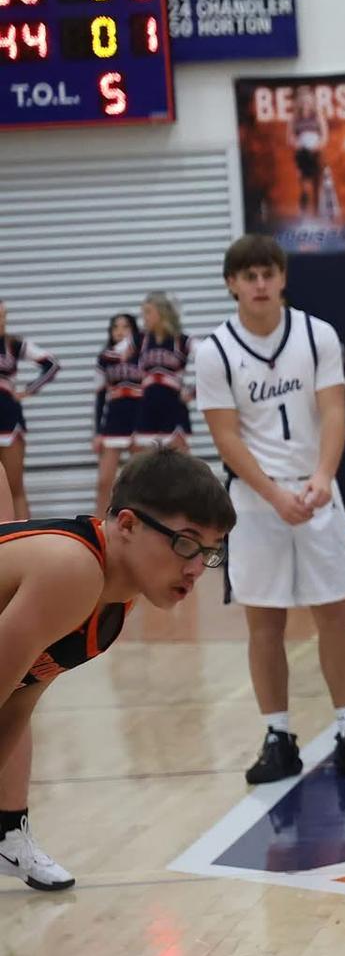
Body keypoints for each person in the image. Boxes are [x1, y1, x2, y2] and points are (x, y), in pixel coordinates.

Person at [194, 234, 345, 785]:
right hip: (256, 503)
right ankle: (278, 735)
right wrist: (274, 494)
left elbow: (333, 412)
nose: (259, 284)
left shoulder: (317, 334)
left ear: (282, 278)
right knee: (265, 623)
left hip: (316, 492)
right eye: (248, 275)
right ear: (232, 283)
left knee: (335, 615)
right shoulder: (213, 351)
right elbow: (225, 436)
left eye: (268, 273)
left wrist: (323, 477)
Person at [0, 448, 235, 895]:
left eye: (208, 552)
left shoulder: (113, 601)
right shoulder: (73, 570)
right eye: (185, 542)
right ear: (127, 524)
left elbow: (16, 703)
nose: (194, 568)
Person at [0, 300, 61, 518]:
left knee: (15, 486)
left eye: (4, 315)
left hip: (9, 417)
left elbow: (52, 364)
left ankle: (25, 539)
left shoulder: (13, 345)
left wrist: (28, 390)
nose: (2, 321)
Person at [92, 312, 143, 514]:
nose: (120, 331)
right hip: (113, 423)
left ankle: (141, 525)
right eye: (116, 327)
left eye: (125, 327)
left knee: (140, 482)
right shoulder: (105, 359)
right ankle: (97, 525)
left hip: (139, 422)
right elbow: (99, 398)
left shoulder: (143, 355)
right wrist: (98, 433)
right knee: (105, 481)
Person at [133, 291, 192, 452]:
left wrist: (194, 391)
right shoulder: (139, 340)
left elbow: (212, 360)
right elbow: (113, 361)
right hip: (147, 408)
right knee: (144, 467)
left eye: (148, 312)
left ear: (162, 312)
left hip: (174, 408)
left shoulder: (182, 340)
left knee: (180, 467)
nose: (144, 317)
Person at [289, 84, 330, 217]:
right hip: (302, 152)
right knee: (304, 183)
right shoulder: (294, 118)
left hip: (315, 151)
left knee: (316, 180)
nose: (305, 102)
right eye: (302, 100)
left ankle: (317, 211)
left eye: (307, 100)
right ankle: (304, 209)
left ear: (312, 101)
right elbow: (290, 137)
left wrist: (317, 146)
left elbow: (324, 136)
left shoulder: (318, 116)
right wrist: (297, 144)